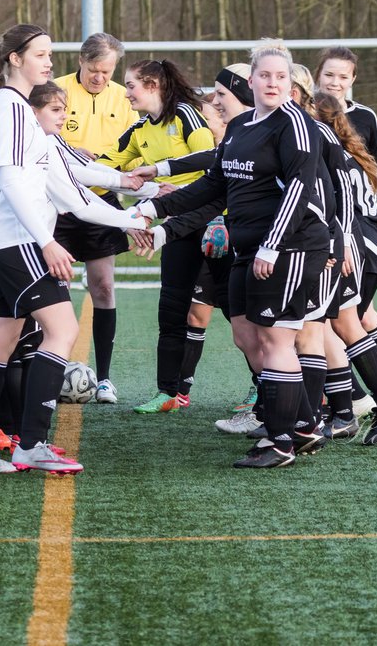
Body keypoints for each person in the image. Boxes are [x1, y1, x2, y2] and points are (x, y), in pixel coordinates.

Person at [133, 41, 333, 468]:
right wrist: (151, 209)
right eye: (265, 76)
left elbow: (300, 188)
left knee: (276, 339)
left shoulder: (294, 124)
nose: (274, 82)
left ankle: (281, 440)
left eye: (281, 76)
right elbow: (213, 184)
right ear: (252, 81)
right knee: (249, 336)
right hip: (250, 249)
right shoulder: (243, 128)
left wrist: (273, 245)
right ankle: (300, 424)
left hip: (289, 248)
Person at [0, 25, 142, 475]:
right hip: (17, 242)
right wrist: (48, 240)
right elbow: (14, 183)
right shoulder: (11, 108)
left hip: (8, 242)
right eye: (41, 54)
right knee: (61, 331)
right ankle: (31, 444)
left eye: (50, 54)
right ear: (15, 59)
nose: (49, 62)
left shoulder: (18, 110)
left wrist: (130, 217)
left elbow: (71, 192)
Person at [96, 59, 216, 414]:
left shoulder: (185, 116)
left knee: (238, 313)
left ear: (152, 85)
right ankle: (168, 392)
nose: (126, 92)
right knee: (172, 308)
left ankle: (263, 388)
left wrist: (172, 190)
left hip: (211, 222)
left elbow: (211, 160)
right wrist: (64, 161)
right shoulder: (138, 130)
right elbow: (106, 166)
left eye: (130, 85)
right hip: (173, 227)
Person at [315, 47, 377, 408]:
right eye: (329, 75)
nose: (335, 82)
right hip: (336, 231)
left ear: (353, 79)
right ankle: (375, 390)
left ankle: (372, 392)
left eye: (343, 76)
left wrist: (356, 222)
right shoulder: (309, 117)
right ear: (317, 75)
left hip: (356, 234)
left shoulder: (366, 117)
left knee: (346, 317)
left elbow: (375, 171)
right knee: (356, 315)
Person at [52, 34, 140, 403]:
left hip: (102, 202)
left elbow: (137, 149)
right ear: (80, 61)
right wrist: (71, 151)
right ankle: (49, 369)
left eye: (107, 71)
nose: (100, 78)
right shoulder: (53, 90)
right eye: (93, 70)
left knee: (103, 286)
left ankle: (103, 378)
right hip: (56, 204)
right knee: (52, 291)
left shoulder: (124, 97)